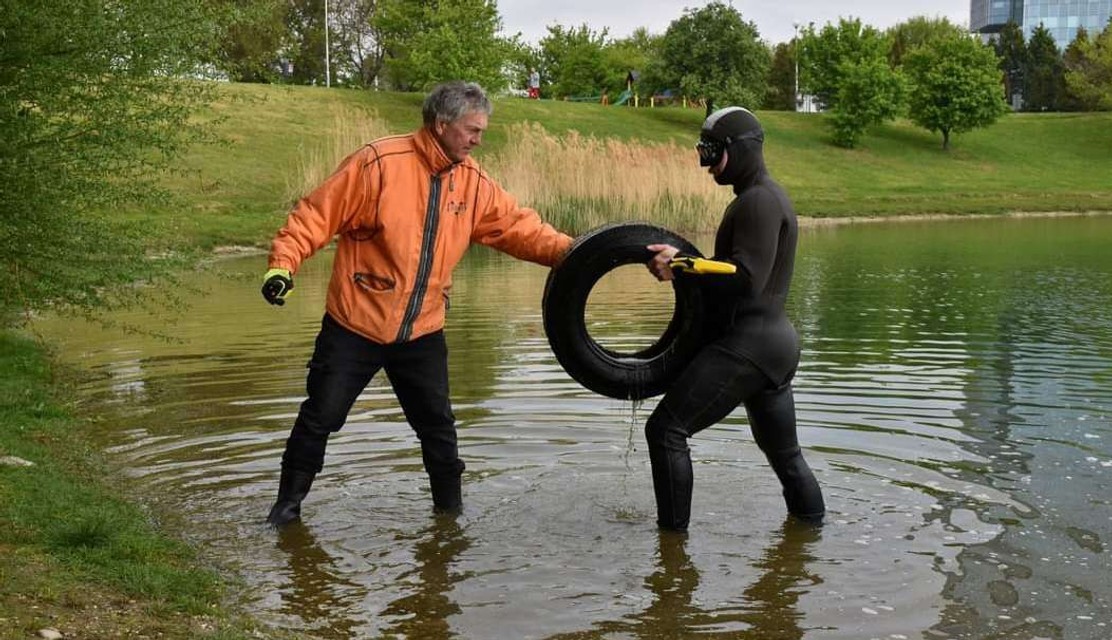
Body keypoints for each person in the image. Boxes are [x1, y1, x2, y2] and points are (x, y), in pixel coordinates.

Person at [260, 80, 573, 527]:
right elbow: (314, 216)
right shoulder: (378, 164)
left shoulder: (473, 183)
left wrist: (578, 253)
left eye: (481, 131)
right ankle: (285, 511)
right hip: (355, 325)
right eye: (472, 130)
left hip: (422, 330)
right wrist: (282, 266)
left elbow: (521, 229)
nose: (478, 140)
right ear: (441, 124)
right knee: (320, 417)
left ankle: (450, 520)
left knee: (438, 429)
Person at [643, 106, 825, 531]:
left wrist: (681, 264)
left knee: (666, 431)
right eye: (701, 152)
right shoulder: (762, 196)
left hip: (749, 345)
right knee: (786, 456)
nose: (706, 165)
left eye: (712, 153)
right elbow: (735, 273)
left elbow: (745, 278)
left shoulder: (759, 201)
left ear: (738, 149)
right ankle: (810, 537)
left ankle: (672, 550)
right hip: (771, 346)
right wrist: (689, 266)